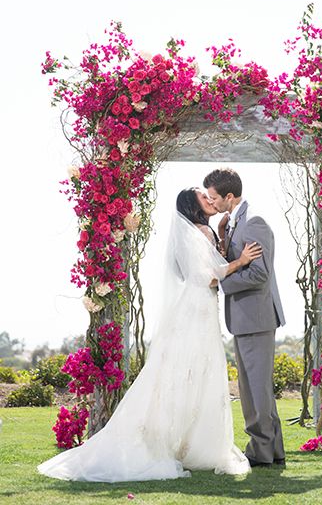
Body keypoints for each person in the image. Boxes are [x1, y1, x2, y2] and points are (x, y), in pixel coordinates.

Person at [37, 188, 262, 482]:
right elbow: (206, 277)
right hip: (197, 312)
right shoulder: (199, 232)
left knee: (190, 373)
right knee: (193, 373)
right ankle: (180, 443)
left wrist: (220, 233)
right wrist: (241, 261)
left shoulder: (200, 231)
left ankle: (184, 441)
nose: (210, 200)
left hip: (196, 310)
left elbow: (197, 270)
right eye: (203, 198)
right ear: (192, 207)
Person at [203, 168, 286, 468]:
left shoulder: (254, 222)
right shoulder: (234, 223)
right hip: (246, 317)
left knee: (255, 390)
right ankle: (273, 451)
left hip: (257, 316)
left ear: (229, 196)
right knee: (254, 388)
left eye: (214, 198)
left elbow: (260, 273)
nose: (211, 203)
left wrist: (222, 282)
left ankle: (261, 452)